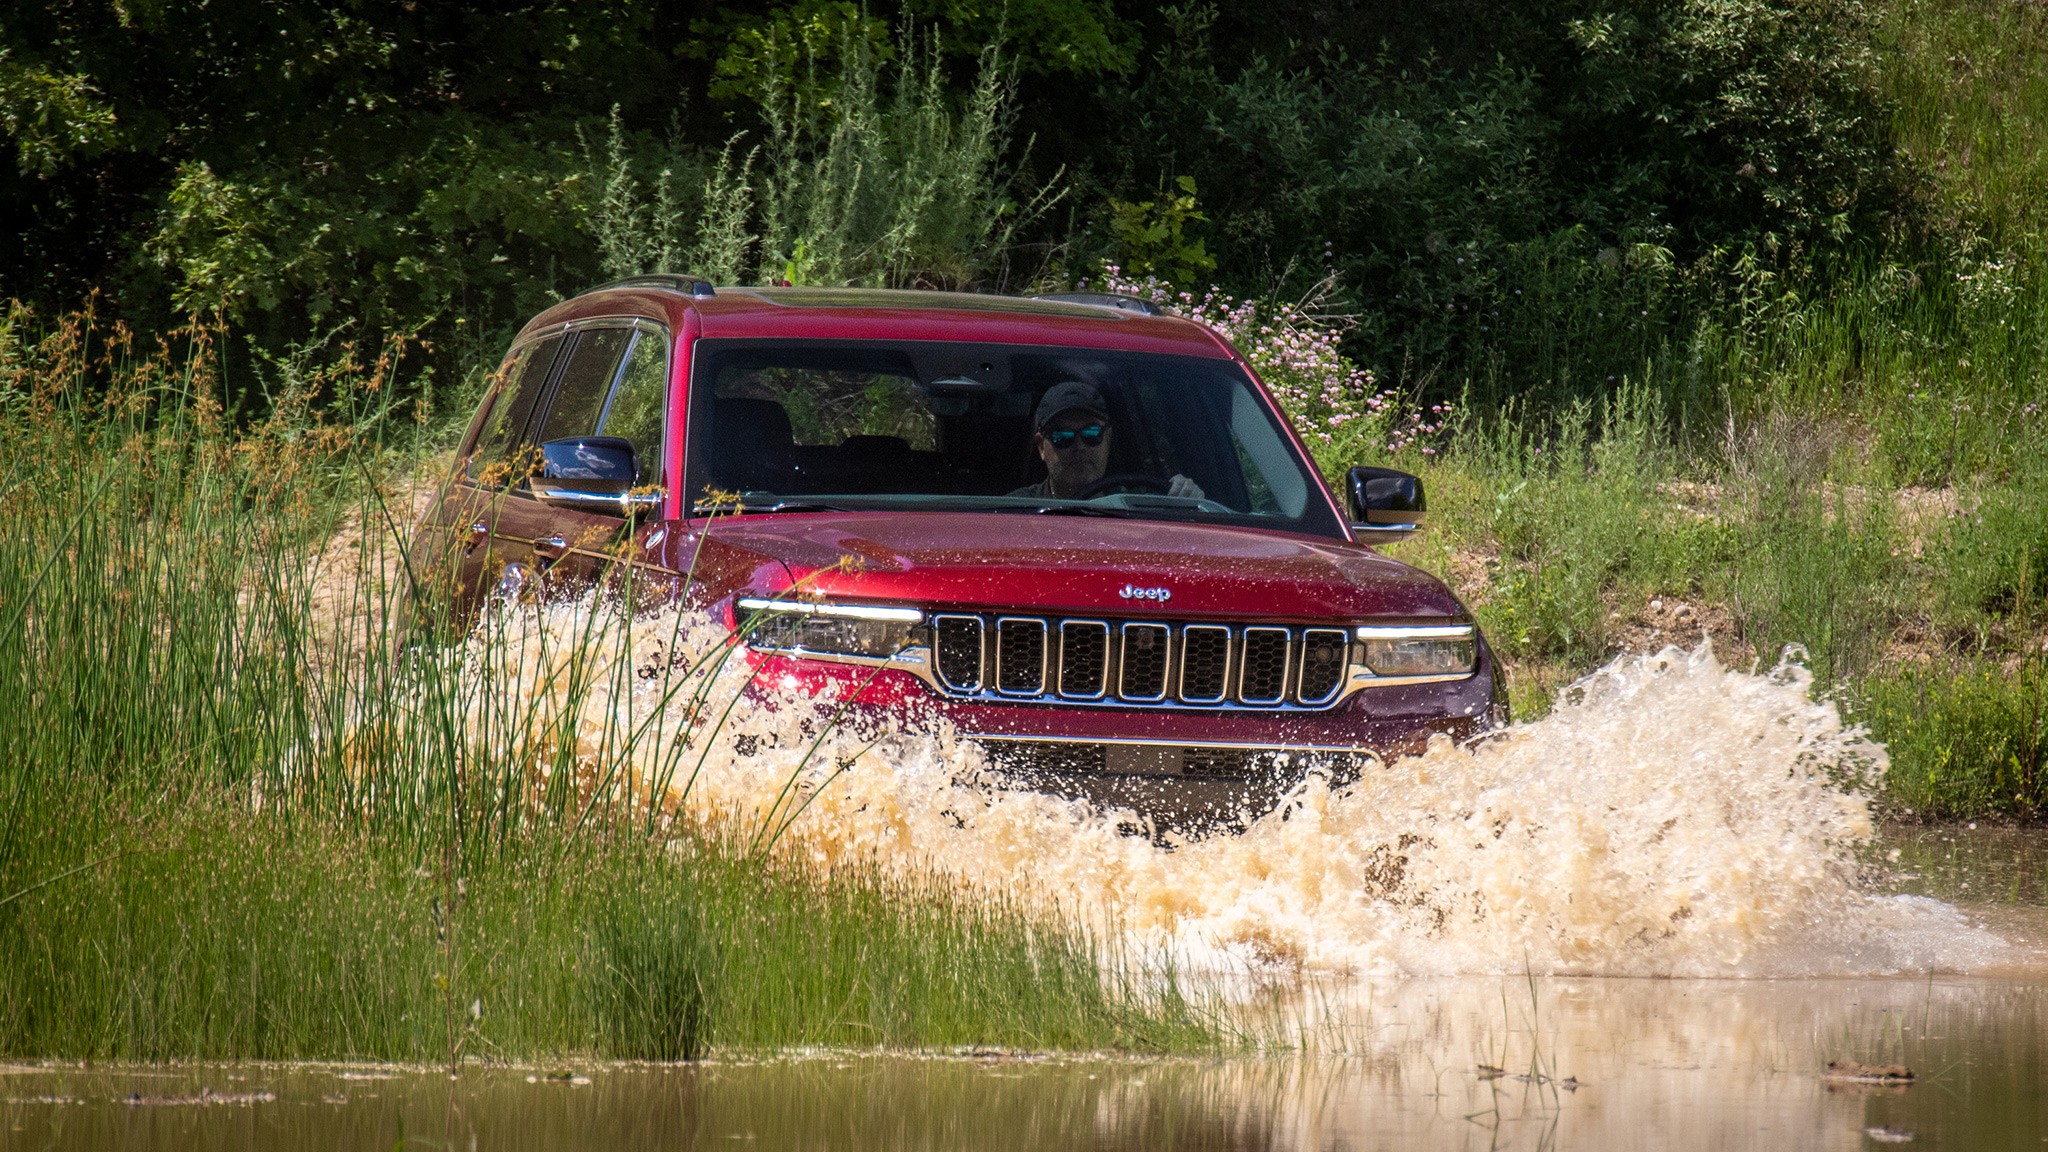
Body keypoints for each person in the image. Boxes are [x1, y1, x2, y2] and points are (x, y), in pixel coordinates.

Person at [1010, 380, 1204, 500]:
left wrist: (1188, 499)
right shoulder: (1015, 513)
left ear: (1108, 438)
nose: (1080, 447)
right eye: (1063, 437)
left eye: (1092, 434)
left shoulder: (1141, 509)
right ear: (1041, 447)